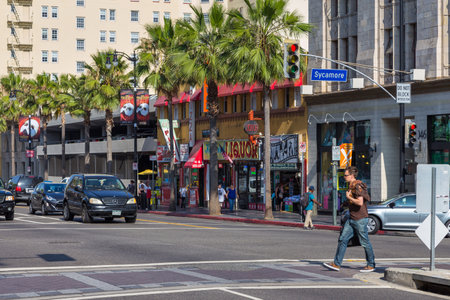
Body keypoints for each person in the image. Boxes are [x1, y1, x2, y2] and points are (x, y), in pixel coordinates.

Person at [323, 166, 376, 273]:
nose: (344, 177)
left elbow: (360, 202)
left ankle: (371, 264)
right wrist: (346, 203)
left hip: (360, 219)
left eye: (346, 175)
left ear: (352, 175)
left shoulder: (357, 186)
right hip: (351, 218)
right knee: (343, 239)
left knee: (364, 242)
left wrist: (349, 198)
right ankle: (336, 264)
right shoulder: (351, 186)